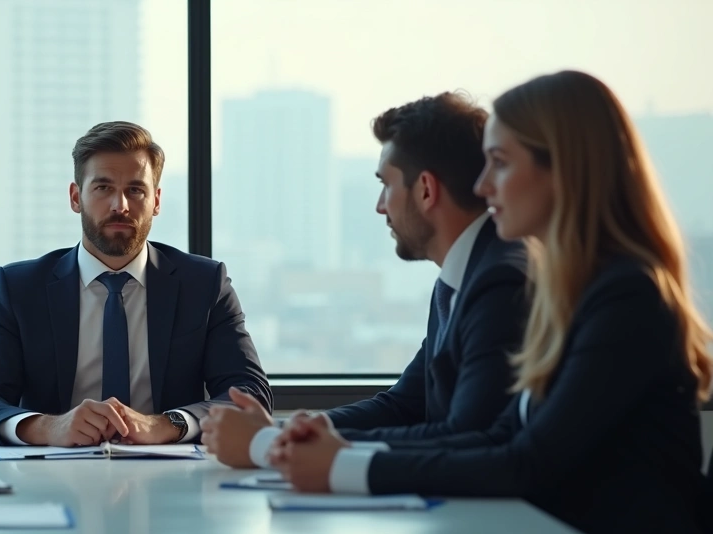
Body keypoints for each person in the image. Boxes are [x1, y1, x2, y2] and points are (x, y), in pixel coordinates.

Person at [270, 70, 712, 534]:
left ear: (564, 170)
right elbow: (500, 436)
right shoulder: (568, 292)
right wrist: (326, 448)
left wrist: (345, 465)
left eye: (499, 164)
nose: (482, 185)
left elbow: (526, 463)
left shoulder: (627, 296)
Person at [203, 92, 529, 469]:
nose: (380, 205)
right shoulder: (458, 278)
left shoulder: (500, 281)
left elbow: (464, 434)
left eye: (386, 185)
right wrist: (291, 431)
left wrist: (275, 442)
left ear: (426, 189)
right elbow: (404, 405)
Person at [0, 121, 272, 447]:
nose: (120, 205)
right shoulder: (18, 289)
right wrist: (49, 428)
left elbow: (250, 395)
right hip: (49, 478)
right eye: (103, 188)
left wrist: (166, 424)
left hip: (171, 476)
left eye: (136, 190)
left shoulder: (204, 285)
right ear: (76, 197)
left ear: (157, 201)